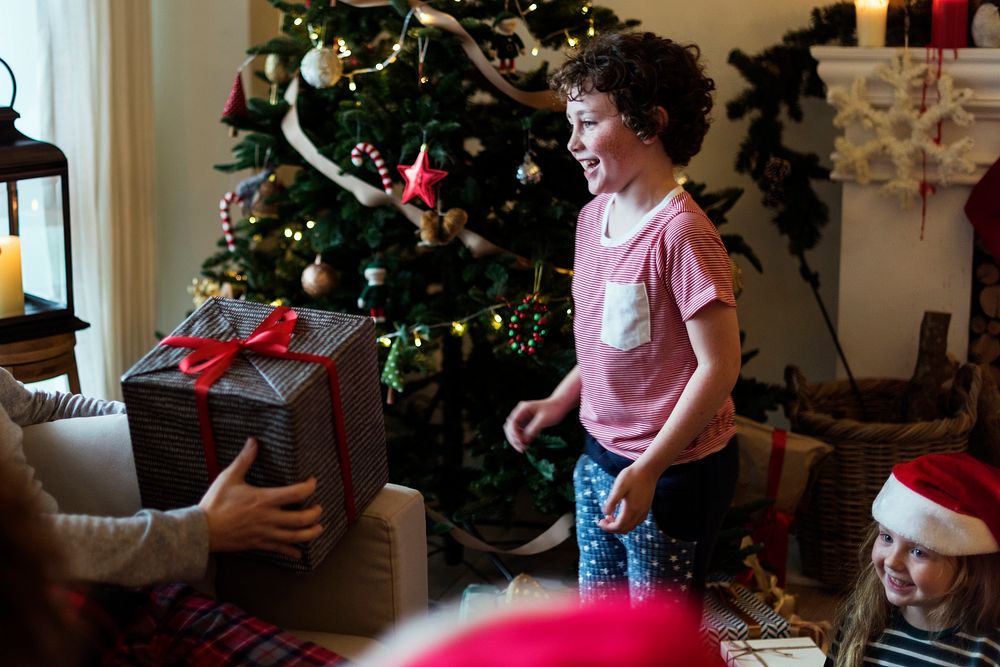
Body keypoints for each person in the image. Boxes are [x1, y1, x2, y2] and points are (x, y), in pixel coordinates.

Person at [503, 31, 740, 608]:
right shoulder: (592, 219)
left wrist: (652, 467)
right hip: (600, 454)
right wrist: (561, 401)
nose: (571, 141)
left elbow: (720, 366)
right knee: (602, 616)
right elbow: (607, 341)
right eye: (570, 123)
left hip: (675, 470)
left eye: (587, 122)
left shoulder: (681, 234)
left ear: (648, 124)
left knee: (656, 633)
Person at [0, 366, 342, 665]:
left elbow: (39, 406)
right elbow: (21, 547)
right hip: (38, 629)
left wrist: (157, 427)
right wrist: (200, 531)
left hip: (124, 598)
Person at [825, 452, 1000, 666]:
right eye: (887, 537)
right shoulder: (860, 621)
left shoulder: (988, 651)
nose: (891, 561)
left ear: (971, 572)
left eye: (918, 552)